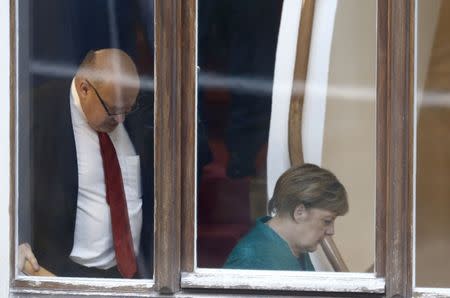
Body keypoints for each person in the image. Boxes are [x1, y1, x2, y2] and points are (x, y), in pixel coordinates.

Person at [18, 49, 154, 279]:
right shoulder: (34, 110)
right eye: (114, 111)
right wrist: (13, 240)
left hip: (134, 277)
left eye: (127, 111)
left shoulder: (136, 112)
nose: (121, 120)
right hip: (61, 275)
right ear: (84, 89)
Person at [223, 163, 348, 271]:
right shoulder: (252, 260)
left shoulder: (294, 246)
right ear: (299, 212)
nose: (331, 231)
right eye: (327, 221)